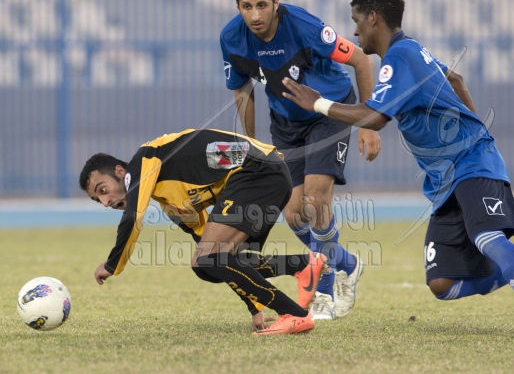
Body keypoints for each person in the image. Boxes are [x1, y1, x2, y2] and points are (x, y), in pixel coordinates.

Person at [281, 0, 514, 342]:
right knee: (442, 283)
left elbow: (375, 118)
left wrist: (318, 103)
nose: (355, 32)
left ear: (374, 19)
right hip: (446, 180)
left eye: (357, 22)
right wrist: (472, 125)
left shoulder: (399, 57)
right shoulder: (411, 51)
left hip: (470, 165)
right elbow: (456, 79)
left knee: (488, 238)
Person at [220, 0, 381, 319]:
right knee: (293, 213)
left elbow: (361, 60)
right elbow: (242, 91)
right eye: (247, 7)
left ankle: (324, 292)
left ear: (276, 4)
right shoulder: (231, 38)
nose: (256, 15)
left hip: (328, 110)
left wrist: (368, 123)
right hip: (286, 122)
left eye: (262, 5)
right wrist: (252, 145)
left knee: (315, 199)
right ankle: (346, 264)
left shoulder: (305, 27)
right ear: (238, 7)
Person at [79, 128, 329, 336]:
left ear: (120, 172)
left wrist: (113, 265)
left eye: (103, 190)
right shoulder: (171, 202)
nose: (105, 202)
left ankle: (294, 314)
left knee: (208, 258)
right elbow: (219, 257)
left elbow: (133, 217)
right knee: (207, 265)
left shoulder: (144, 159)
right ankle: (301, 265)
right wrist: (255, 308)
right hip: (266, 177)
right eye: (97, 199)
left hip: (259, 171)